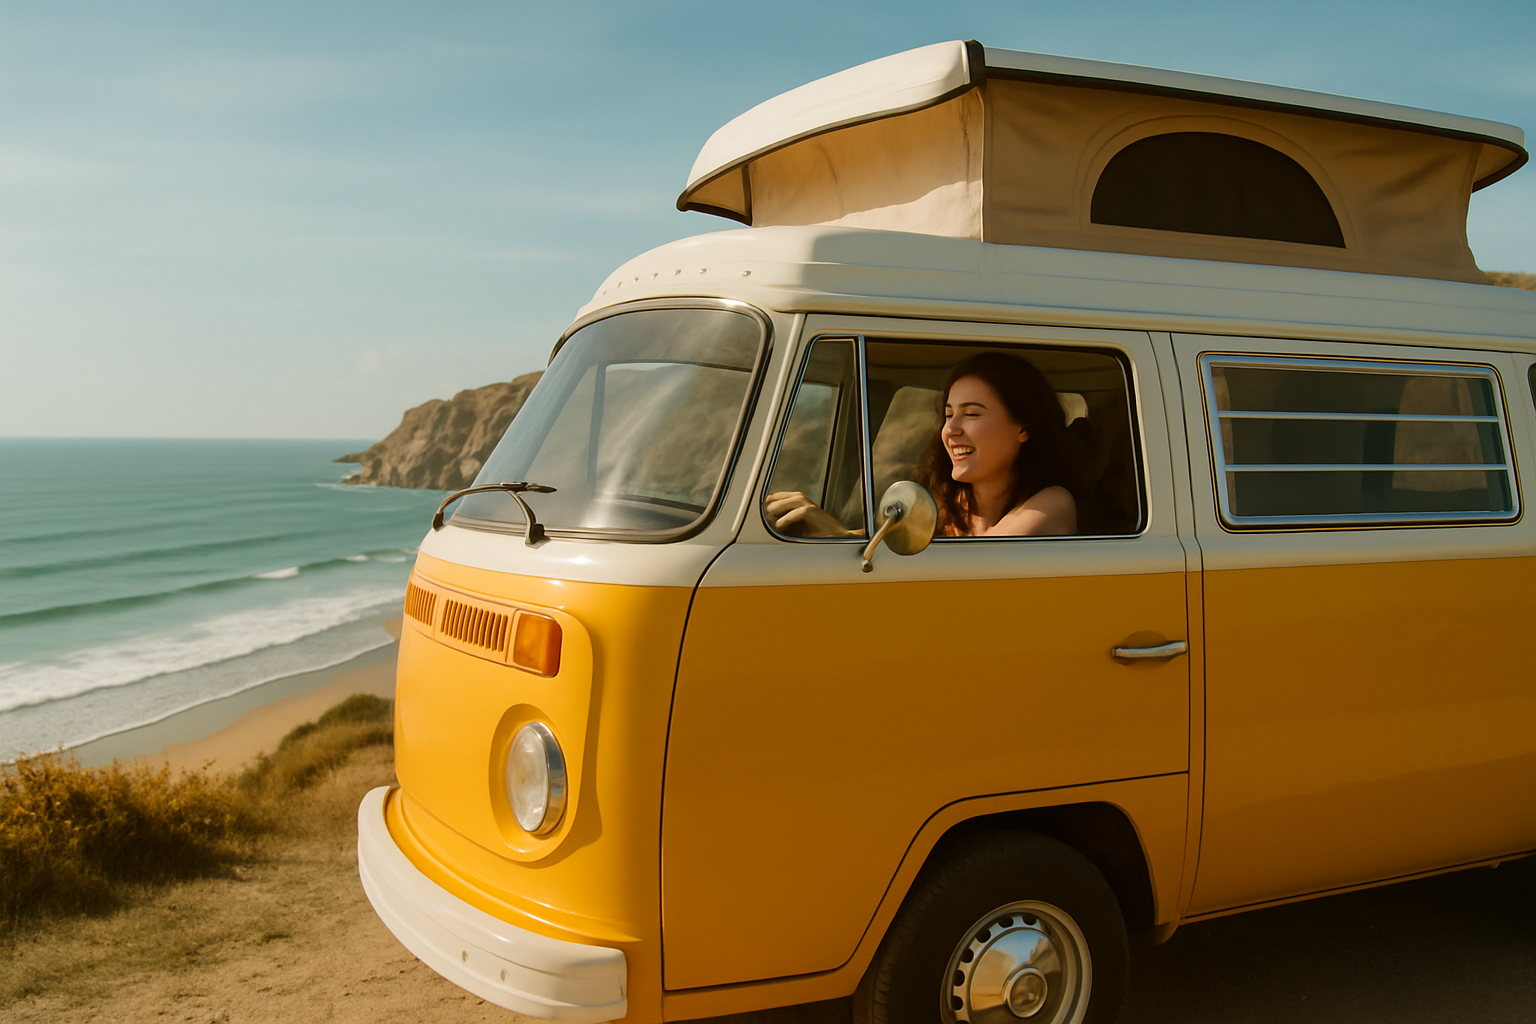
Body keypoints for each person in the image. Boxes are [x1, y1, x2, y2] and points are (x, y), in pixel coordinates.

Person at [766, 352, 1077, 538]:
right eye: (949, 415)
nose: (950, 430)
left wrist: (839, 536)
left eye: (971, 414)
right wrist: (825, 529)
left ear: (1023, 427)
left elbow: (974, 569)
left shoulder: (1053, 504)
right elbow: (892, 543)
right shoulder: (945, 505)